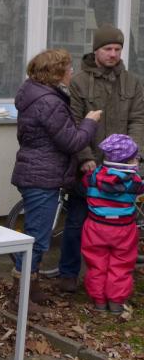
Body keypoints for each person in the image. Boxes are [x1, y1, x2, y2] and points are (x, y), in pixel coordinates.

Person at [11, 49, 100, 307]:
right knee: (38, 239)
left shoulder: (35, 93)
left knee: (36, 235)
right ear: (56, 72)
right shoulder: (48, 102)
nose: (72, 72)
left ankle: (31, 286)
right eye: (68, 68)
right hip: (42, 176)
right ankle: (21, 296)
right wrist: (90, 122)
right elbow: (72, 141)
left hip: (37, 171)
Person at [60, 24, 144, 292]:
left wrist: (134, 154)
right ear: (96, 50)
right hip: (88, 165)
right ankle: (69, 274)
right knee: (77, 221)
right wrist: (84, 156)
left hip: (121, 170)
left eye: (118, 49)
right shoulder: (79, 82)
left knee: (119, 227)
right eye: (108, 48)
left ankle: (111, 282)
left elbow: (137, 119)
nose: (113, 54)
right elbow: (74, 122)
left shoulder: (132, 82)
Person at [81, 134, 143, 314]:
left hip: (95, 228)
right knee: (121, 264)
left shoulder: (92, 177)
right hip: (123, 230)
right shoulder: (135, 182)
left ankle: (99, 301)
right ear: (128, 161)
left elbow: (84, 182)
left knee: (96, 264)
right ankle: (116, 301)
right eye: (135, 158)